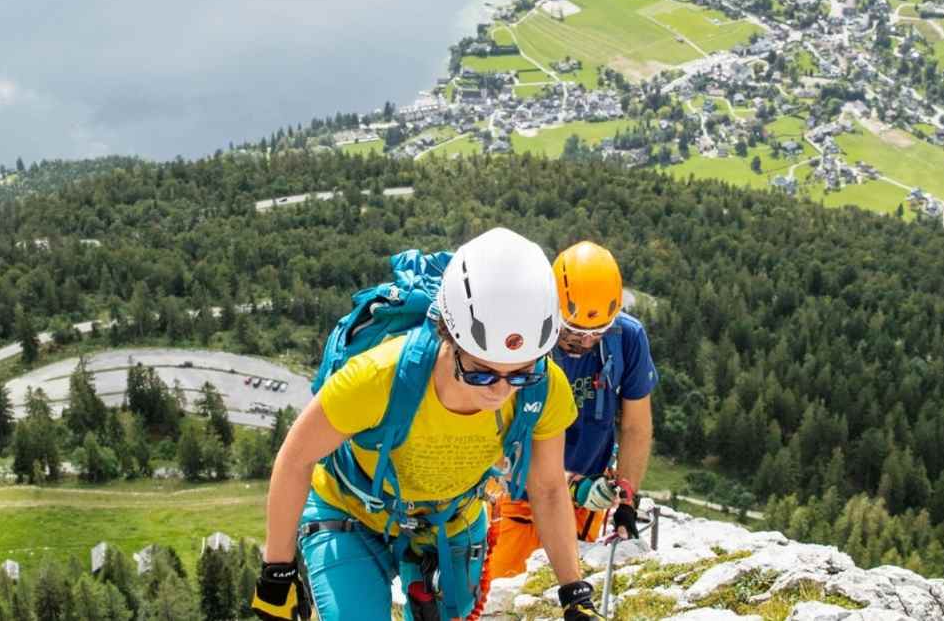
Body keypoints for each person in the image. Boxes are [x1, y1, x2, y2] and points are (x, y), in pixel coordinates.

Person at [250, 228, 601, 621]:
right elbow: (296, 458)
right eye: (481, 373)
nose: (501, 392)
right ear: (447, 337)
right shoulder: (379, 378)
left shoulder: (546, 387)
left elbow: (549, 488)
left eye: (520, 374)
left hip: (450, 519)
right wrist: (277, 572)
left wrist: (575, 591)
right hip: (350, 512)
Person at [486, 240, 658, 580]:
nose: (587, 342)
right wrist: (572, 486)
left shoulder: (627, 338)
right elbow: (495, 433)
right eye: (576, 332)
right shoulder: (522, 340)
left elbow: (636, 426)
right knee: (500, 595)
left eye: (598, 332)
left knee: (562, 595)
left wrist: (626, 498)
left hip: (584, 502)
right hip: (515, 496)